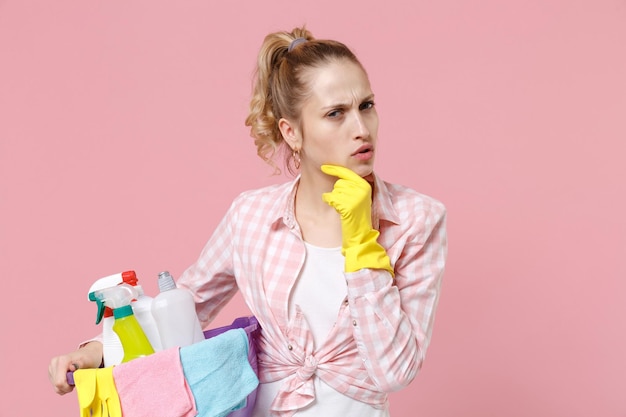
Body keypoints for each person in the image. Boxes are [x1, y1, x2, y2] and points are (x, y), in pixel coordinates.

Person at [49, 26, 447, 417]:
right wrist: (95, 351)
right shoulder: (251, 215)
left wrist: (361, 239)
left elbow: (394, 371)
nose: (361, 129)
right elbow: (184, 306)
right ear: (292, 132)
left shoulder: (417, 219)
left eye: (367, 106)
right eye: (335, 113)